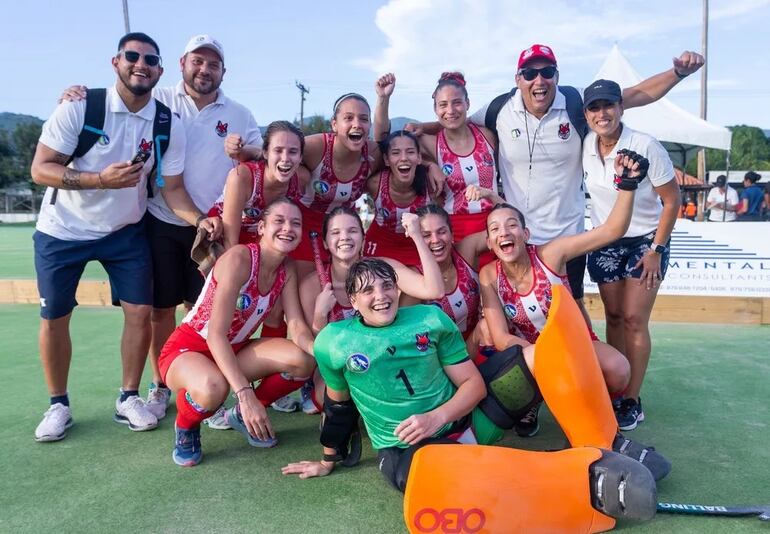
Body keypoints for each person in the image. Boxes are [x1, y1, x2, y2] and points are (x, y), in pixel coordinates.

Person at [283, 258, 669, 491]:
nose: (380, 295)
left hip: (471, 422)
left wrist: (438, 416)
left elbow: (474, 384)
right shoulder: (335, 341)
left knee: (540, 357)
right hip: (409, 452)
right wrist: (327, 459)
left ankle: (605, 444)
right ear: (353, 300)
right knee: (434, 482)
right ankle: (579, 477)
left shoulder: (430, 318)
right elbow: (338, 407)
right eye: (368, 291)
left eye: (387, 285)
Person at [411, 45, 703, 319]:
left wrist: (677, 73)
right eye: (529, 73)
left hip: (567, 237)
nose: (539, 79)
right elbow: (453, 122)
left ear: (557, 76)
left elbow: (638, 94)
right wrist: (423, 143)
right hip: (516, 237)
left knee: (571, 310)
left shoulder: (577, 101)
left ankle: (589, 367)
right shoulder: (499, 107)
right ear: (518, 79)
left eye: (547, 71)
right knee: (515, 311)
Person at [58, 34, 262, 420]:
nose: (205, 69)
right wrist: (76, 95)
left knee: (210, 312)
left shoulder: (239, 112)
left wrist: (244, 151)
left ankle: (210, 385)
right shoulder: (158, 98)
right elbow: (120, 97)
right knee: (161, 309)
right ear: (182, 63)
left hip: (218, 227)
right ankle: (161, 383)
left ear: (224, 71)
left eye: (213, 64)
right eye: (197, 61)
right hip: (164, 219)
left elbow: (259, 152)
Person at [30, 32, 202, 441]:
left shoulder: (165, 122)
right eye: (132, 56)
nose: (140, 64)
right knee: (55, 316)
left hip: (125, 232)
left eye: (150, 59)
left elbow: (173, 189)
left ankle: (128, 396)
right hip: (63, 230)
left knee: (140, 313)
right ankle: (58, 404)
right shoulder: (80, 107)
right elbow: (40, 169)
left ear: (161, 70)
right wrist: (99, 181)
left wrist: (200, 220)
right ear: (116, 62)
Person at [480, 147, 650, 436]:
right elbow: (500, 338)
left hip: (576, 344)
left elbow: (610, 231)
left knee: (619, 369)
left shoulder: (551, 254)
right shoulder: (489, 275)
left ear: (526, 234)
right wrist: (546, 358)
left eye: (512, 225)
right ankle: (534, 400)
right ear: (489, 241)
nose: (504, 233)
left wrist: (628, 184)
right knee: (493, 345)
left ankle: (588, 398)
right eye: (495, 229)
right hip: (530, 355)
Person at [159, 198, 315, 466]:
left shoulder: (286, 268)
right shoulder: (240, 258)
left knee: (303, 361)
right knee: (212, 388)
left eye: (295, 223)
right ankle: (186, 425)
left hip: (235, 348)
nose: (287, 228)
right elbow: (215, 335)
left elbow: (298, 326)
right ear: (262, 227)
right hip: (188, 349)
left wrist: (321, 351)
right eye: (279, 221)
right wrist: (245, 394)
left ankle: (242, 416)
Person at [581, 79, 681, 430]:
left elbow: (673, 200)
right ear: (586, 114)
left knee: (635, 319)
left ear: (621, 107)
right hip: (605, 241)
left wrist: (657, 249)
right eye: (594, 107)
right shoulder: (585, 145)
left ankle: (632, 400)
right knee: (614, 317)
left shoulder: (645, 144)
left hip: (645, 242)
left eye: (609, 105)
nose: (602, 113)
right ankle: (617, 387)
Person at [296, 206, 444, 412]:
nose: (345, 237)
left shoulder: (382, 269)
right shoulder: (311, 285)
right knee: (336, 401)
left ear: (364, 239)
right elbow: (321, 347)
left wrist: (418, 236)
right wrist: (320, 315)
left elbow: (434, 289)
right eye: (336, 233)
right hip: (341, 369)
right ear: (324, 242)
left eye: (352, 231)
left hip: (384, 357)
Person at [374, 72, 497, 241]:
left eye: (457, 103)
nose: (450, 110)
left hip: (493, 226)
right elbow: (387, 145)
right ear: (435, 109)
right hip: (454, 230)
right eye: (443, 105)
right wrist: (429, 164)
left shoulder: (488, 136)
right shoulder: (430, 143)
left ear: (467, 103)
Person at [292, 93, 383, 274]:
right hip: (304, 226)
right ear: (334, 124)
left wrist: (430, 165)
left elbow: (403, 154)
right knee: (309, 287)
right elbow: (273, 152)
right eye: (348, 118)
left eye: (364, 119)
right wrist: (241, 151)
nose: (357, 124)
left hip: (343, 233)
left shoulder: (374, 154)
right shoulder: (316, 147)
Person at [210, 121, 309, 249]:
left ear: (301, 157)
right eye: (278, 150)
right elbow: (230, 242)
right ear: (266, 153)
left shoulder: (302, 179)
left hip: (264, 245)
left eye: (293, 152)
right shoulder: (242, 177)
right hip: (223, 241)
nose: (285, 158)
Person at [364, 130, 438, 265]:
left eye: (410, 152)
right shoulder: (375, 183)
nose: (403, 158)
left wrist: (432, 166)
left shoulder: (431, 184)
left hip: (418, 246)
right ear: (386, 160)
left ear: (419, 158)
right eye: (396, 153)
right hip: (380, 245)